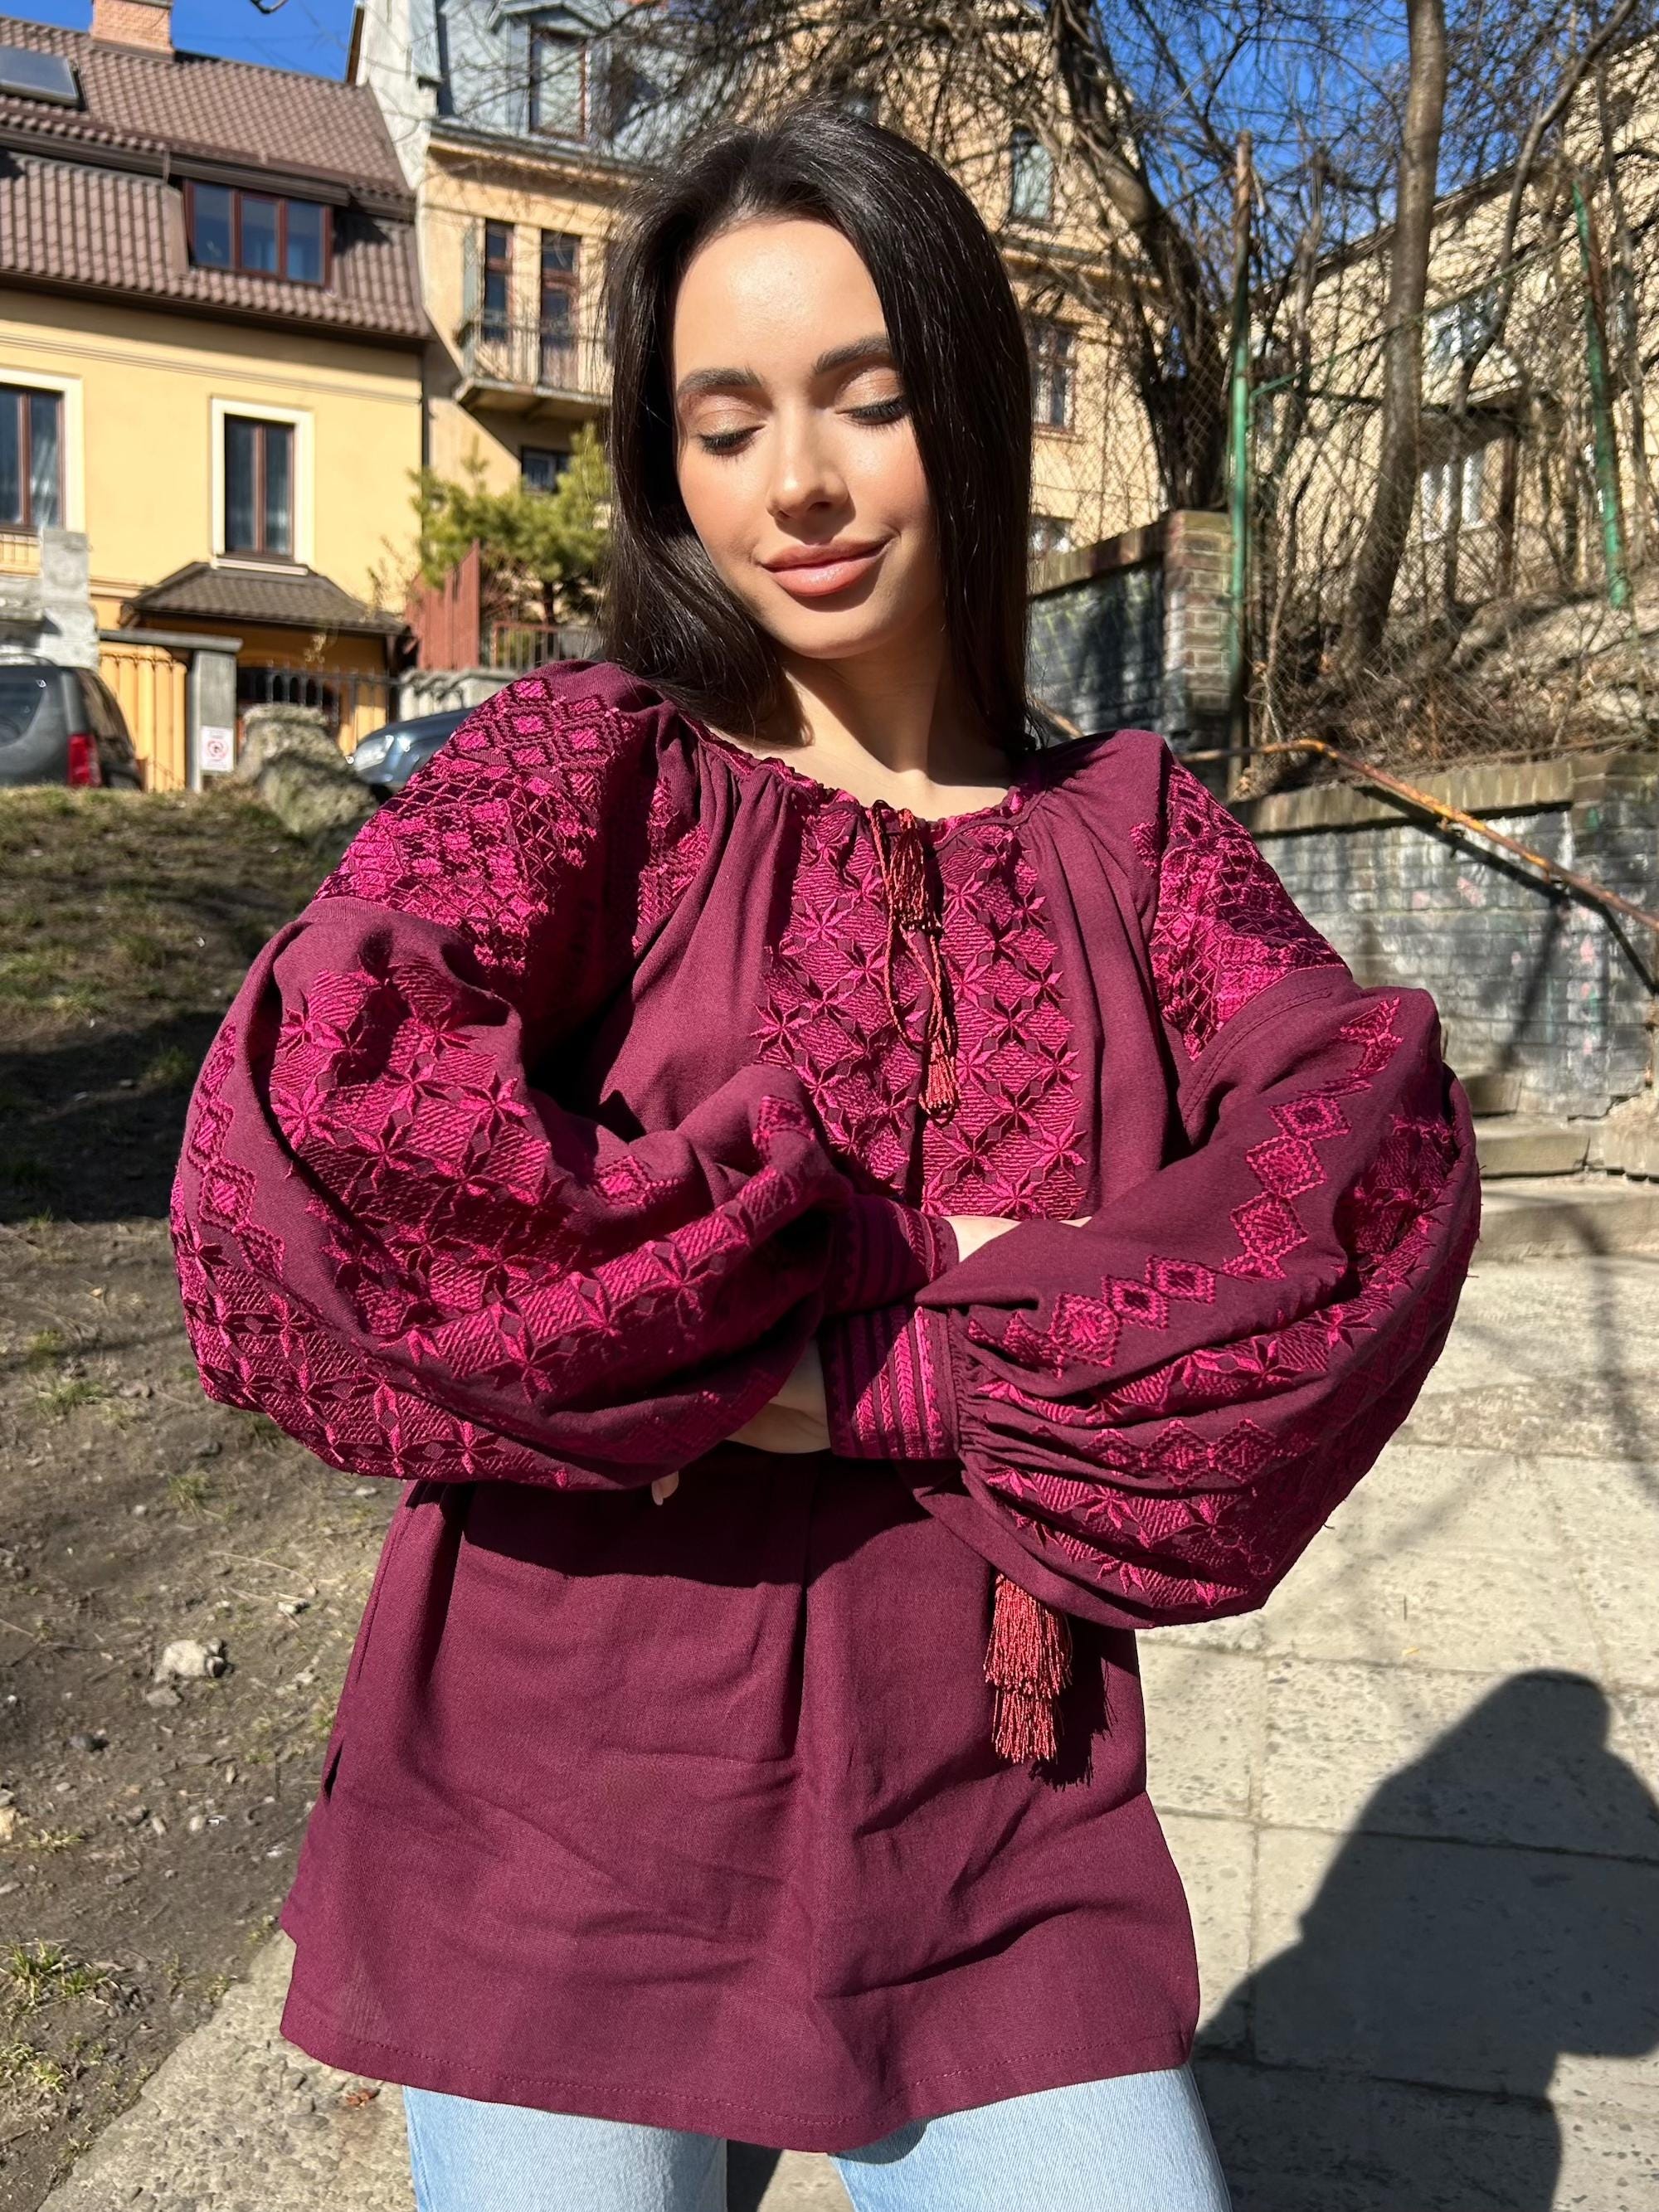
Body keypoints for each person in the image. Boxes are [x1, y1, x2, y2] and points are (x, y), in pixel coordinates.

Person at [168, 102, 1481, 2212]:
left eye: (866, 399)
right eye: (725, 417)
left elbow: (1369, 1175)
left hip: (989, 1807)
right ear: (661, 458)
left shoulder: (1139, 836)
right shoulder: (581, 770)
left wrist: (847, 1376)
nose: (796, 481)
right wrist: (942, 1288)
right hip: (559, 1791)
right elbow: (313, 1126)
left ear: (961, 398)